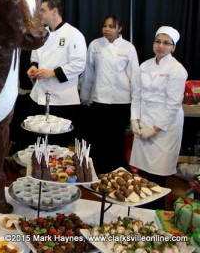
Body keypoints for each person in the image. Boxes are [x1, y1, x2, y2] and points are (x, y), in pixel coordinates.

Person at [130, 26, 188, 209]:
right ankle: (142, 207)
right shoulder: (144, 66)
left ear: (173, 47)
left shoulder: (177, 69)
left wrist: (154, 129)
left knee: (158, 174)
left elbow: (173, 105)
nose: (160, 46)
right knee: (143, 172)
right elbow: (136, 95)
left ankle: (156, 209)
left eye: (166, 43)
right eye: (158, 41)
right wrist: (135, 120)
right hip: (144, 121)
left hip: (165, 127)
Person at [80, 15, 140, 174]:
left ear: (120, 28)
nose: (107, 29)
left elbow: (134, 76)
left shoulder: (128, 48)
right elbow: (89, 73)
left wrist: (136, 102)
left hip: (121, 101)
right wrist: (84, 96)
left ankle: (117, 169)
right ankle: (97, 169)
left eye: (112, 26)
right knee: (98, 137)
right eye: (105, 26)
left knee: (116, 138)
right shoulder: (95, 45)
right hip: (99, 99)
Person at [26, 0, 87, 148]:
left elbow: (79, 64)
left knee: (57, 143)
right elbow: (35, 56)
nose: (39, 14)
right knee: (36, 138)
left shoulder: (74, 34)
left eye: (42, 10)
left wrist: (52, 73)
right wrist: (33, 67)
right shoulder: (41, 33)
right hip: (39, 95)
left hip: (62, 98)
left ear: (54, 11)